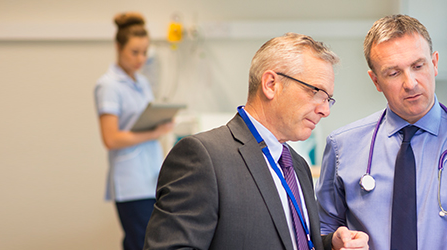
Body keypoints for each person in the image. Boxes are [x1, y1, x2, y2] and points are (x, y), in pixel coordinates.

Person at [143, 33, 370, 250]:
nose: (325, 110)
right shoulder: (204, 157)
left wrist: (330, 245)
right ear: (271, 84)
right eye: (315, 92)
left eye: (328, 99)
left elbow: (290, 240)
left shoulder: (297, 165)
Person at [316, 14, 447, 250]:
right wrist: (336, 244)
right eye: (393, 73)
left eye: (418, 66)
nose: (411, 83)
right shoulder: (341, 146)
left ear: (434, 63)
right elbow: (324, 230)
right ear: (376, 81)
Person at [94, 12, 175, 250]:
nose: (141, 58)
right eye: (134, 52)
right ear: (118, 47)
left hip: (150, 178)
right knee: (140, 243)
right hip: (130, 182)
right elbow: (111, 138)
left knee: (151, 241)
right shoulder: (108, 86)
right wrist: (154, 132)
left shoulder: (142, 82)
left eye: (145, 52)